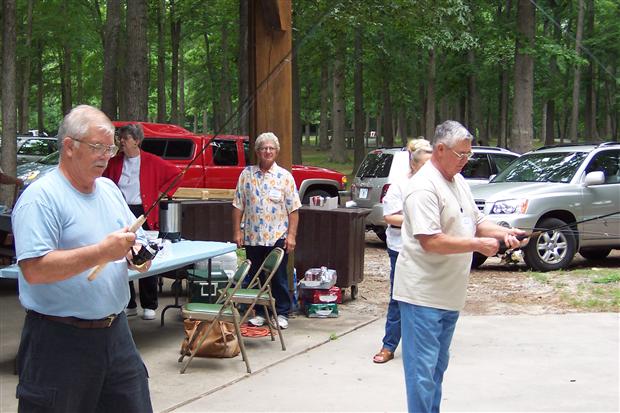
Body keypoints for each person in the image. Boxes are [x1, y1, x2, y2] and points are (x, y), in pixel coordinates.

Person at [11, 105, 153, 412]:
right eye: (97, 147)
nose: (107, 155)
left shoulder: (109, 189)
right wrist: (101, 252)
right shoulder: (41, 198)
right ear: (69, 147)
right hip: (58, 340)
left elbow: (133, 239)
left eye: (110, 147)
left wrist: (136, 254)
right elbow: (34, 270)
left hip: (116, 336)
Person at [393, 120, 526, 413]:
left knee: (437, 369)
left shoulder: (458, 180)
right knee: (421, 375)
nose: (466, 161)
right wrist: (477, 245)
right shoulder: (423, 187)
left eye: (469, 155)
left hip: (449, 295)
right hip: (422, 295)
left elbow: (477, 222)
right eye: (461, 154)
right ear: (440, 149)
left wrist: (504, 233)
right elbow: (431, 241)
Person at [103, 123, 180, 320]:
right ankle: (129, 303)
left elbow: (177, 175)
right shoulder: (114, 162)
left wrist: (161, 193)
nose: (121, 141)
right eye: (120, 138)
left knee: (145, 255)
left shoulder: (151, 161)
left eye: (125, 138)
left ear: (136, 141)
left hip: (144, 211)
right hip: (119, 211)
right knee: (122, 255)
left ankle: (149, 303)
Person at [232, 132, 301, 330]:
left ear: (276, 151)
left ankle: (281, 312)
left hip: (277, 236)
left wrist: (292, 235)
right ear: (257, 152)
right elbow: (238, 205)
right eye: (264, 148)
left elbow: (294, 209)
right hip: (253, 236)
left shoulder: (285, 177)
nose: (267, 151)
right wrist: (237, 231)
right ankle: (260, 312)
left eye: (271, 148)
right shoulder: (247, 175)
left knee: (277, 277)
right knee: (255, 276)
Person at [373, 138, 432, 364]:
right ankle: (389, 346)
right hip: (402, 249)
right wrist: (418, 221)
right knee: (398, 298)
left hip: (429, 250)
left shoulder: (437, 185)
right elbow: (389, 217)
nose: (429, 169)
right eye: (424, 163)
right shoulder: (400, 185)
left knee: (426, 297)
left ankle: (422, 346)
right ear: (413, 163)